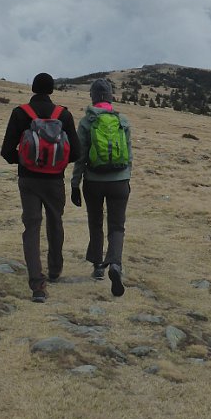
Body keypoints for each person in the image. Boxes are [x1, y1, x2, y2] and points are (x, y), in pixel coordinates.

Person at [0, 72, 81, 303]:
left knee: (32, 226)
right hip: (55, 180)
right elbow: (76, 152)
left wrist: (25, 161)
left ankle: (37, 284)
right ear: (52, 90)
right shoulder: (63, 115)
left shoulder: (20, 113)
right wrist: (57, 162)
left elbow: (6, 152)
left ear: (33, 88)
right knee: (55, 222)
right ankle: (55, 270)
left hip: (28, 181)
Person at [71, 78, 133, 297]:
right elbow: (129, 156)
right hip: (119, 182)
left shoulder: (87, 122)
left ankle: (98, 265)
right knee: (117, 226)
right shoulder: (122, 120)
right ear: (110, 97)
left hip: (93, 182)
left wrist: (74, 185)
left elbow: (79, 157)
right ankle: (115, 264)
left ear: (93, 97)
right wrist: (127, 179)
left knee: (95, 222)